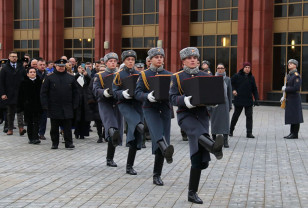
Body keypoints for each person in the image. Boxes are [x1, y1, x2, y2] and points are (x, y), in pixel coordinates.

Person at [169, 47, 224, 204]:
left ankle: (191, 193)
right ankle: (214, 147)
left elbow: (212, 94)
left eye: (195, 57)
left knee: (198, 157)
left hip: (201, 116)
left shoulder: (205, 75)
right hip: (185, 116)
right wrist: (184, 100)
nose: (193, 60)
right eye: (189, 58)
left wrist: (213, 101)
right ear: (183, 61)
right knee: (198, 133)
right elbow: (172, 98)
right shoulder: (177, 77)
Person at [135, 47, 174, 186]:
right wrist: (147, 96)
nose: (159, 59)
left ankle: (157, 174)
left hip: (164, 108)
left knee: (164, 139)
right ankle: (158, 171)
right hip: (150, 108)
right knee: (158, 135)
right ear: (150, 60)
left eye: (161, 57)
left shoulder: (170, 74)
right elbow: (137, 93)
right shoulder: (144, 75)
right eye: (156, 57)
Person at [112, 50, 144, 175]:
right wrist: (122, 93)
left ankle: (129, 166)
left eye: (132, 60)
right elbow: (114, 91)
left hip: (137, 105)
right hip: (124, 105)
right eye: (128, 60)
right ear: (124, 61)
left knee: (134, 135)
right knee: (138, 124)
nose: (130, 62)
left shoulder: (140, 74)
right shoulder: (119, 74)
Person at [40, 59, 78, 149]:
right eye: (59, 66)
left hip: (67, 105)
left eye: (62, 66)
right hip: (54, 106)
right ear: (55, 66)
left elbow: (76, 92)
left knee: (67, 127)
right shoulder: (49, 77)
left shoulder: (71, 77)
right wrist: (45, 104)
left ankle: (69, 143)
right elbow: (43, 92)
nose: (61, 68)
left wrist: (75, 104)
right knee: (54, 127)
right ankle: (55, 143)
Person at [93, 52, 123, 167]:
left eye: (115, 61)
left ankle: (110, 158)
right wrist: (103, 92)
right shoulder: (99, 75)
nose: (113, 63)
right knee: (111, 127)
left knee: (116, 131)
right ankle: (109, 158)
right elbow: (95, 90)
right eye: (110, 61)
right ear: (106, 63)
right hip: (105, 103)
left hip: (117, 103)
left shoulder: (120, 74)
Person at [229, 62, 259, 138]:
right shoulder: (237, 76)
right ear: (243, 68)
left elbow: (254, 89)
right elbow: (230, 84)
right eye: (246, 67)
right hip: (239, 99)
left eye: (249, 67)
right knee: (236, 116)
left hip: (248, 100)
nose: (247, 69)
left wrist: (256, 99)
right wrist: (233, 90)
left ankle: (249, 133)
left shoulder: (251, 77)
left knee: (249, 116)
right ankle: (230, 130)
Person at [0, 51, 27, 136]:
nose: (14, 58)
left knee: (20, 112)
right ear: (9, 57)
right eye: (12, 56)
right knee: (10, 112)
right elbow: (1, 82)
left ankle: (21, 128)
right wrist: (3, 93)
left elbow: (25, 80)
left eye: (15, 56)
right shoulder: (5, 68)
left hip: (20, 93)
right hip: (9, 93)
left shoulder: (21, 67)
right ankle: (10, 128)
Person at [208, 63, 232, 148]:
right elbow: (209, 93)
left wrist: (230, 105)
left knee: (225, 123)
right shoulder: (212, 78)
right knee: (214, 122)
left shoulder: (228, 79)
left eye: (222, 68)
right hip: (215, 104)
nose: (220, 69)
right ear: (216, 69)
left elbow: (229, 93)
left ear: (225, 69)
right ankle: (214, 140)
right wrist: (208, 105)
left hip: (224, 104)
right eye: (218, 68)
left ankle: (225, 140)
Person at [18, 67, 42, 145]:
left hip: (37, 105)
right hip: (28, 106)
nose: (32, 73)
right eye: (31, 72)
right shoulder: (23, 82)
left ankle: (36, 137)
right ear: (27, 74)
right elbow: (20, 95)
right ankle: (31, 137)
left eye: (34, 72)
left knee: (37, 122)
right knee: (30, 122)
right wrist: (21, 106)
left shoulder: (39, 82)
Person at [281, 59, 304, 139]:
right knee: (292, 116)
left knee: (296, 116)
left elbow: (296, 88)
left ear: (295, 65)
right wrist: (284, 96)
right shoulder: (290, 75)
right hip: (290, 99)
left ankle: (295, 134)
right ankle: (291, 132)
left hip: (294, 99)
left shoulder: (296, 75)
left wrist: (286, 89)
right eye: (288, 63)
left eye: (291, 63)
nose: (289, 64)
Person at [74, 65, 92, 139]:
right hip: (77, 99)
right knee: (77, 117)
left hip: (85, 99)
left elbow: (90, 82)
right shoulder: (75, 75)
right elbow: (73, 80)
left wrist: (86, 75)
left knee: (85, 117)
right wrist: (78, 74)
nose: (81, 69)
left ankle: (83, 133)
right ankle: (77, 132)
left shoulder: (86, 76)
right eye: (79, 68)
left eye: (82, 68)